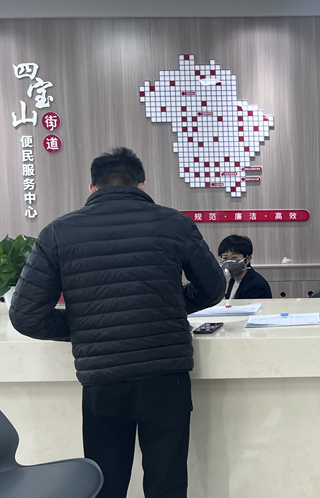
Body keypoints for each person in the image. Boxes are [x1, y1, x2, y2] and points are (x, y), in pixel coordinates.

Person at [9, 147, 226, 498]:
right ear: (141, 185)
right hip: (165, 374)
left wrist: (85, 326)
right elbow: (213, 288)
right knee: (168, 483)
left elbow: (25, 315)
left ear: (92, 188)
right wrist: (167, 307)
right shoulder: (175, 223)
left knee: (105, 484)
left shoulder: (58, 232)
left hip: (102, 380)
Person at [218, 234, 272, 299]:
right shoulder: (233, 280)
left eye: (234, 257)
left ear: (248, 259)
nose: (229, 262)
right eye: (225, 258)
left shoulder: (256, 285)